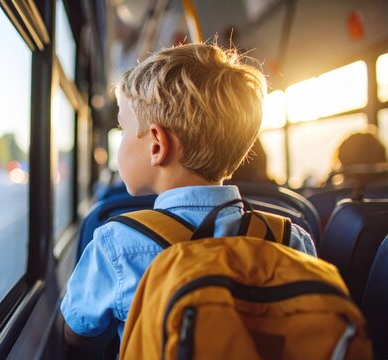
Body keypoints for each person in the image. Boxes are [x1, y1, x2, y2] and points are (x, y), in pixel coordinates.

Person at [60, 43, 316, 356]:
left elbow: (76, 334)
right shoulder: (292, 238)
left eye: (122, 127)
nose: (120, 140)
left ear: (156, 145)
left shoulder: (116, 243)